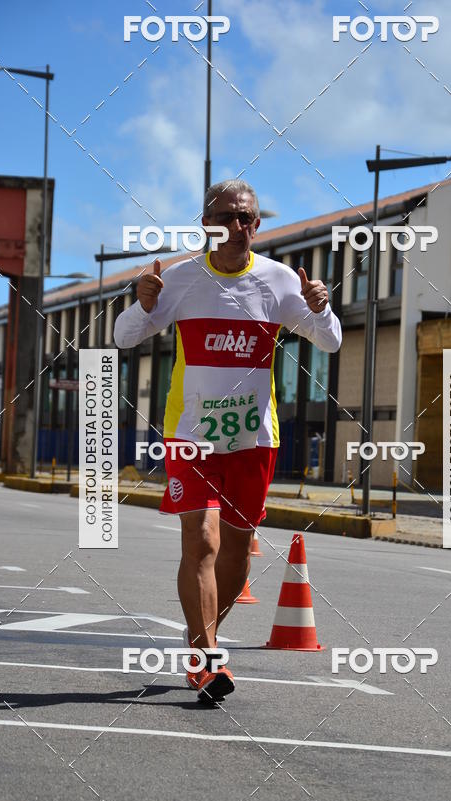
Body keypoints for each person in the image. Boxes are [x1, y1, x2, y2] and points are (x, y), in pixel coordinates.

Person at [114, 179, 342, 702]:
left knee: (237, 553)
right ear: (207, 225)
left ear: (258, 225)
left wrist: (320, 306)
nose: (240, 227)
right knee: (204, 542)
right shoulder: (180, 280)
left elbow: (328, 341)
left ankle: (201, 644)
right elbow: (125, 337)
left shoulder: (280, 282)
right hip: (189, 436)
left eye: (249, 218)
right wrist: (143, 303)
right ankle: (207, 659)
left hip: (252, 439)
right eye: (229, 217)